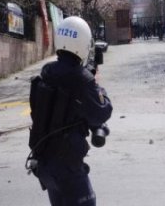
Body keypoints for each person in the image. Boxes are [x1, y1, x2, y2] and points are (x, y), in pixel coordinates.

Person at [28, 16, 113, 206]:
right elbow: (102, 112)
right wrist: (98, 87)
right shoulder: (81, 80)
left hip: (45, 164)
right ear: (83, 43)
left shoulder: (46, 74)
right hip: (67, 169)